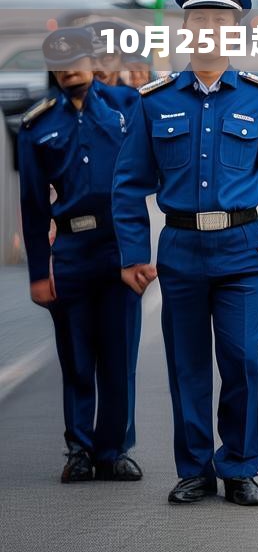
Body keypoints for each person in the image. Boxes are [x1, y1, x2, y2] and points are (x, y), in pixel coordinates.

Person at [112, 0, 258, 507]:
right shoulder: (154, 102)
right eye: (200, 21)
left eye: (221, 23)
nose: (210, 32)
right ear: (184, 30)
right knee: (187, 363)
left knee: (242, 358)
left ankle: (240, 466)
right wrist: (133, 255)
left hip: (244, 250)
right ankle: (194, 468)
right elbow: (128, 186)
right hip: (181, 251)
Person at [18, 27, 143, 484]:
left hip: (119, 247)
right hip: (70, 250)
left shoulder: (127, 106)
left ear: (94, 60)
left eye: (79, 57)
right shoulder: (38, 125)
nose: (70, 67)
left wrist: (142, 251)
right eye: (60, 60)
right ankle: (79, 451)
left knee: (119, 353)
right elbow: (32, 207)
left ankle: (114, 450)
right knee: (75, 356)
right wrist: (37, 272)